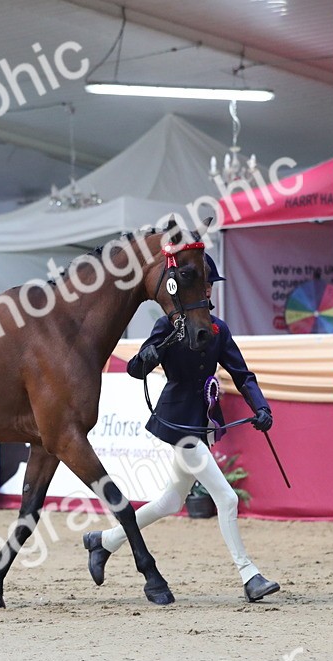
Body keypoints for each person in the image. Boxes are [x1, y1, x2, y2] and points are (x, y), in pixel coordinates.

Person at [83, 254, 280, 602]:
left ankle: (104, 542)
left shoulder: (219, 330)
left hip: (202, 422)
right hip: (178, 424)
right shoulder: (167, 326)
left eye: (209, 285)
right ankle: (249, 575)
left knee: (170, 502)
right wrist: (150, 356)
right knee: (227, 497)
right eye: (202, 284)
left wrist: (261, 407)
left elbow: (242, 375)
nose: (206, 290)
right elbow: (135, 368)